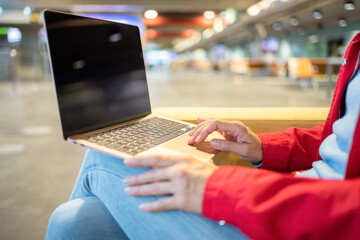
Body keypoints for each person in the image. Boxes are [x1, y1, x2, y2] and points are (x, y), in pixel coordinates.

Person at [46, 33, 360, 240]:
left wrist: (226, 188)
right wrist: (264, 146)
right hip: (300, 196)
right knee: (74, 220)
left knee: (103, 153)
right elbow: (342, 139)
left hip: (309, 222)